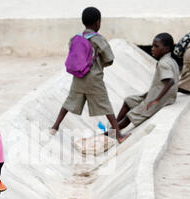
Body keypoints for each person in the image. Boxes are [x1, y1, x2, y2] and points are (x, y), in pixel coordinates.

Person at [50, 7, 130, 143]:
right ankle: (119, 136)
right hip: (94, 79)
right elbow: (109, 58)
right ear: (98, 22)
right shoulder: (99, 40)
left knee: (69, 101)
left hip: (78, 77)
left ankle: (55, 126)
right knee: (106, 106)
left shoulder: (75, 38)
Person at [114, 33, 179, 130]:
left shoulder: (163, 63)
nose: (152, 48)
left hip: (158, 100)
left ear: (166, 48)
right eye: (152, 46)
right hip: (155, 96)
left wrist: (156, 100)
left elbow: (171, 81)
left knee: (130, 116)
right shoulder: (171, 61)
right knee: (129, 101)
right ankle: (113, 127)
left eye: (156, 46)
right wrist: (147, 95)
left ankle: (110, 134)